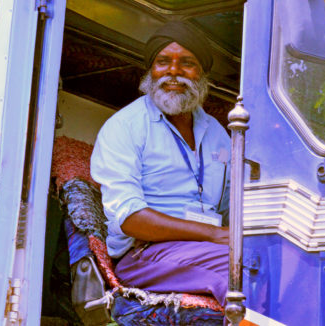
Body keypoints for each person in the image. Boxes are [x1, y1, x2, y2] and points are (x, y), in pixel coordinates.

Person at [90, 20, 231, 306]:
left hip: (203, 248)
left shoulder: (217, 132)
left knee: (277, 260)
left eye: (187, 63)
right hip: (146, 255)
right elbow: (130, 218)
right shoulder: (124, 127)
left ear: (202, 73)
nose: (174, 72)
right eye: (163, 61)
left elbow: (231, 205)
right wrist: (215, 234)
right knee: (244, 271)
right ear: (150, 71)